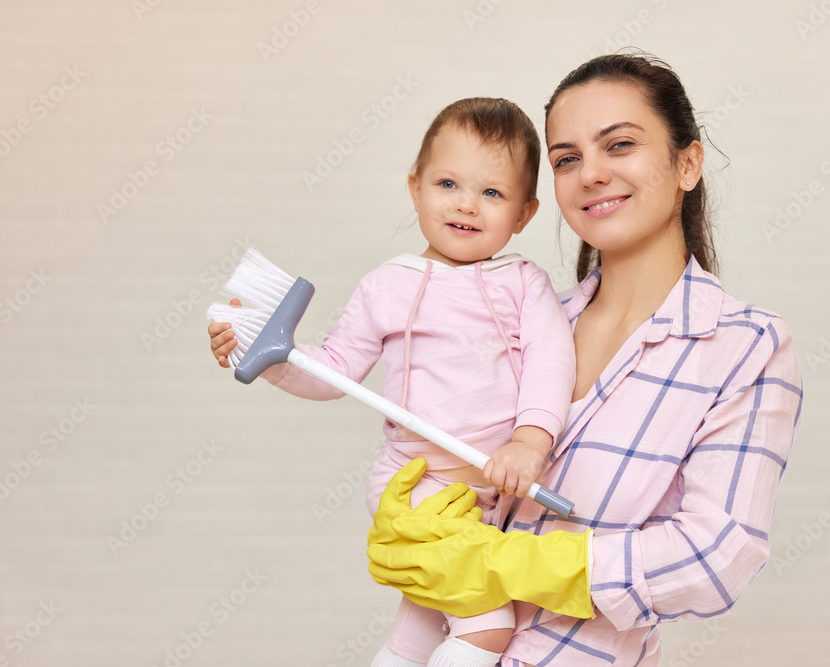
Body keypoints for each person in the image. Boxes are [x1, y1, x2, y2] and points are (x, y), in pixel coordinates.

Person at [366, 53, 804, 666]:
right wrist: (415, 520)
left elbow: (715, 557)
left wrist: (517, 563)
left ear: (687, 163)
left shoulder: (742, 344)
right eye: (567, 159)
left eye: (619, 145)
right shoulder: (524, 324)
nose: (590, 175)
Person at [208, 98, 577, 666]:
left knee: (418, 634)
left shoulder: (524, 283)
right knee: (487, 626)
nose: (466, 204)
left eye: (492, 192)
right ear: (415, 188)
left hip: (485, 494)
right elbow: (332, 369)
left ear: (524, 214)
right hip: (416, 487)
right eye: (447, 184)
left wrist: (530, 441)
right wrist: (273, 361)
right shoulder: (387, 285)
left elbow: (552, 361)